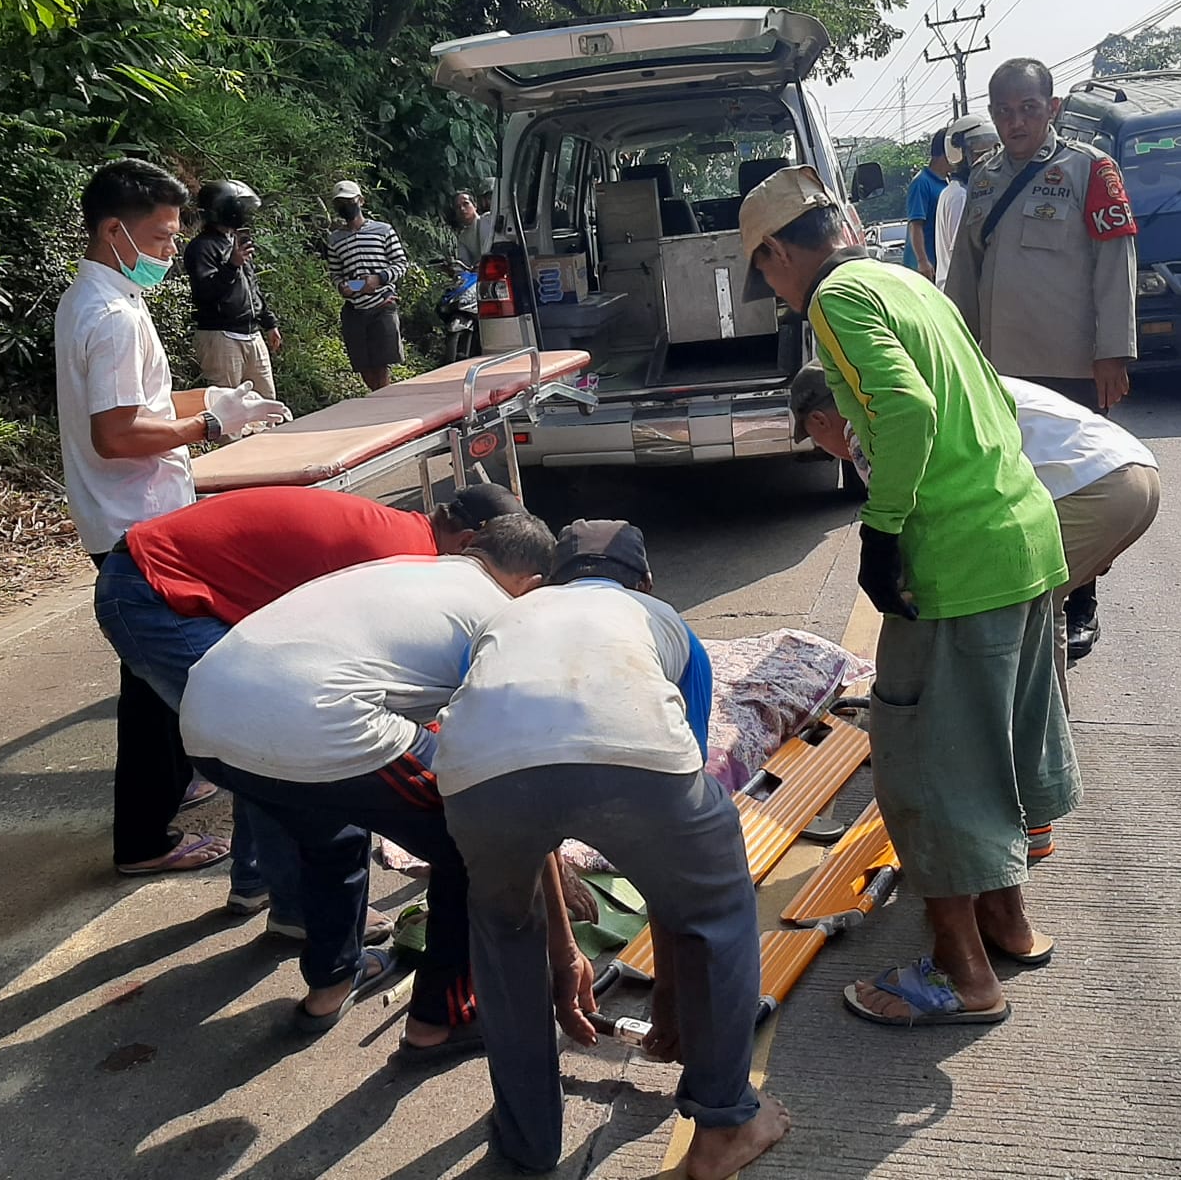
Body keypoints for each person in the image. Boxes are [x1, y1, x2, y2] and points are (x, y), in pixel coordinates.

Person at [741, 166, 1077, 1031]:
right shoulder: (907, 281)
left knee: (931, 766)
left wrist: (883, 529)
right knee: (995, 746)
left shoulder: (836, 302)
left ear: (781, 250)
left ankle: (962, 973)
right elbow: (991, 396)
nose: (775, 293)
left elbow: (907, 408)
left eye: (765, 272)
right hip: (1025, 539)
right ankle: (1007, 921)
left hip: (957, 563)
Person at [434, 519, 786, 1180]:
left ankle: (527, 1142)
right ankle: (723, 1127)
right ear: (645, 581)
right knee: (717, 907)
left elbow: (499, 749)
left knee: (504, 935)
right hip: (638, 764)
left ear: (549, 581)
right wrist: (671, 993)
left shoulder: (503, 623)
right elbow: (676, 833)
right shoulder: (663, 620)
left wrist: (563, 956)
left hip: (478, 781)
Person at [180, 514, 556, 1041]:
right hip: (317, 723)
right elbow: (501, 746)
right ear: (533, 585)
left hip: (205, 722)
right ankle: (440, 1018)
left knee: (331, 829)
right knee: (475, 846)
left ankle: (331, 982)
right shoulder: (499, 615)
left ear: (472, 546)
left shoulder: (405, 569)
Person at [92, 482, 526, 927]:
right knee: (265, 743)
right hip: (156, 587)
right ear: (468, 542)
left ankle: (260, 883)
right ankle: (300, 913)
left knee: (257, 741)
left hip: (149, 573)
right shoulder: (399, 554)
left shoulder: (405, 536)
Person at [55, 158, 289, 877]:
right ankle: (143, 840)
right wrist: (209, 430)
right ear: (113, 229)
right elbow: (118, 433)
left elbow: (139, 407)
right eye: (159, 237)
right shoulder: (114, 316)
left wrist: (214, 398)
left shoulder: (94, 299)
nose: (168, 251)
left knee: (147, 672)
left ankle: (176, 784)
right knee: (155, 676)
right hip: (139, 518)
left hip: (120, 512)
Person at [789, 364, 1160, 704]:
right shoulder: (919, 384)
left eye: (816, 441)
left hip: (1087, 485)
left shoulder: (866, 425)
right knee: (1041, 609)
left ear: (820, 421)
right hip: (1131, 472)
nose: (829, 452)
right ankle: (1041, 744)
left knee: (1001, 611)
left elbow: (906, 525)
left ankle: (1013, 745)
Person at [945, 57, 1139, 661]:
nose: (1016, 121)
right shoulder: (982, 178)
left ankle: (1081, 599)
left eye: (1029, 108)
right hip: (1001, 367)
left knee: (1074, 486)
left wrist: (1113, 352)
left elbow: (1116, 264)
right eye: (1004, 110)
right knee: (1016, 489)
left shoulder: (1091, 170)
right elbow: (963, 274)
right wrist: (954, 350)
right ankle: (1032, 593)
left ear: (1051, 108)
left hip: (1072, 364)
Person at [183, 179, 282, 400]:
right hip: (221, 335)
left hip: (251, 332)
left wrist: (269, 322)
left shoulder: (234, 242)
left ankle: (267, 436)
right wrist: (231, 265)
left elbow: (251, 285)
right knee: (228, 409)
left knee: (267, 404)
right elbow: (205, 293)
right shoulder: (201, 247)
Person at [327, 179, 409, 392]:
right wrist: (345, 287)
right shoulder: (335, 240)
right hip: (356, 308)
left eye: (348, 201)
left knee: (382, 363)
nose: (345, 206)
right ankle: (378, 398)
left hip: (382, 303)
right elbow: (336, 274)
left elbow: (401, 263)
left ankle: (384, 402)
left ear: (360, 201)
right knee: (363, 364)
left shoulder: (383, 231)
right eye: (340, 203)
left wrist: (380, 278)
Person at [935, 112, 999, 290]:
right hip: (960, 292)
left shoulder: (957, 191)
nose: (987, 159)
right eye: (979, 152)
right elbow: (964, 256)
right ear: (958, 153)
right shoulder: (961, 197)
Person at [905, 127, 951, 279]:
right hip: (924, 270)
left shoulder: (948, 183)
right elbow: (916, 225)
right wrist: (922, 261)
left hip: (941, 267)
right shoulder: (921, 183)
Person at [451, 190, 492, 268]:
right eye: (458, 207)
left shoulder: (489, 219)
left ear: (475, 205)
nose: (462, 209)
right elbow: (465, 264)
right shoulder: (463, 238)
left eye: (465, 204)